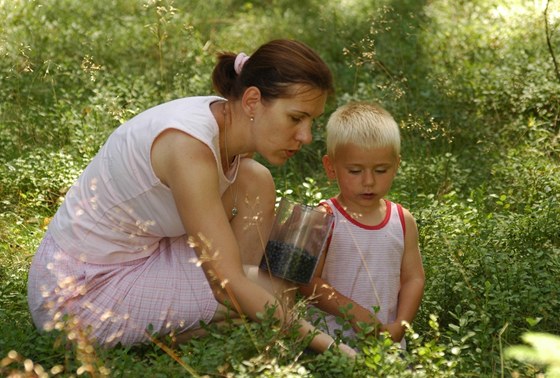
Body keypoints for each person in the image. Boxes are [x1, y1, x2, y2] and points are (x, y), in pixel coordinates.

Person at [27, 39, 356, 357]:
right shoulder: (189, 148)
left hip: (139, 255)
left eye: (312, 121)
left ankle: (234, 313)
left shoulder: (225, 121)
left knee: (255, 181)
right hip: (77, 293)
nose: (306, 136)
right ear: (253, 101)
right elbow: (226, 283)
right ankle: (231, 317)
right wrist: (330, 346)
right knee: (269, 295)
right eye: (296, 118)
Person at [300, 102, 425, 347]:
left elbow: (414, 278)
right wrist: (354, 313)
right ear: (331, 167)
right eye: (355, 171)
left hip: (386, 346)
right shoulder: (324, 216)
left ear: (396, 166)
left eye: (381, 170)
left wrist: (401, 325)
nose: (368, 181)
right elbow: (306, 281)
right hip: (328, 346)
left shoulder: (402, 219)